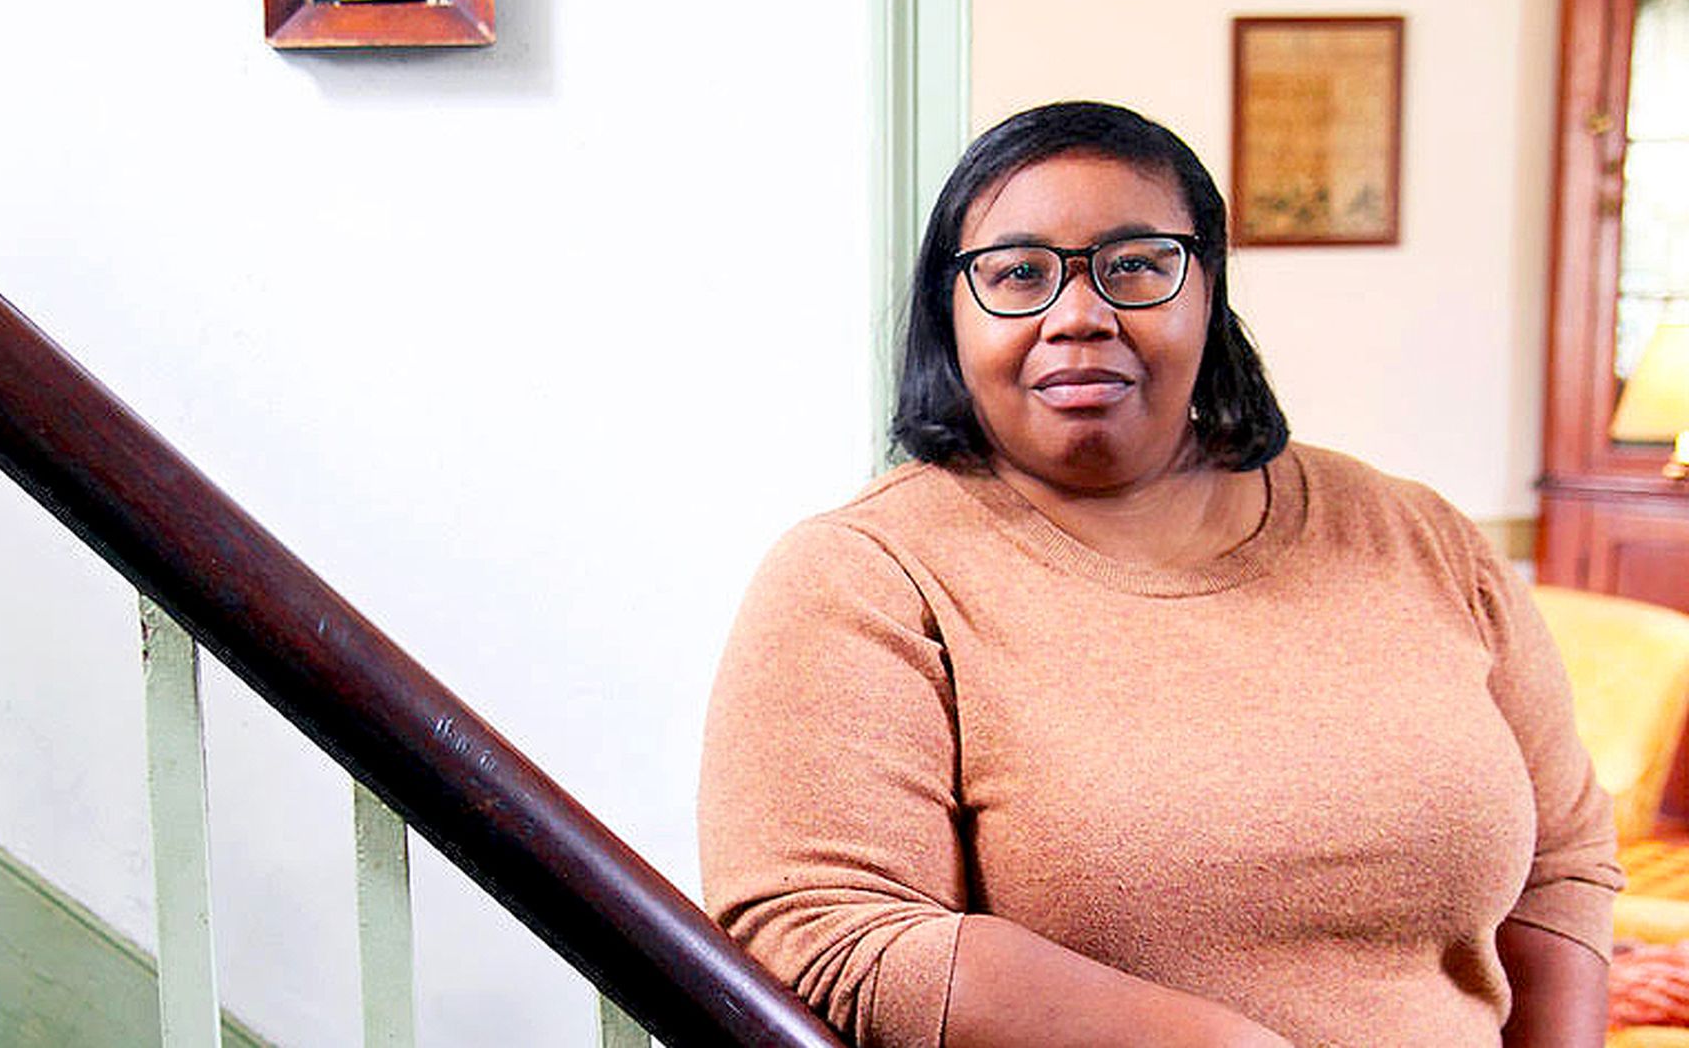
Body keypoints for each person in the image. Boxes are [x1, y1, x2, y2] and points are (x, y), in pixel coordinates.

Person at [696, 101, 1624, 1047]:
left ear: (1207, 290)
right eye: (1018, 274)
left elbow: (1566, 861)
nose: (1079, 317)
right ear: (953, 314)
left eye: (1134, 265)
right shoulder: (864, 575)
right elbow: (824, 933)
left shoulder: (1419, 536)